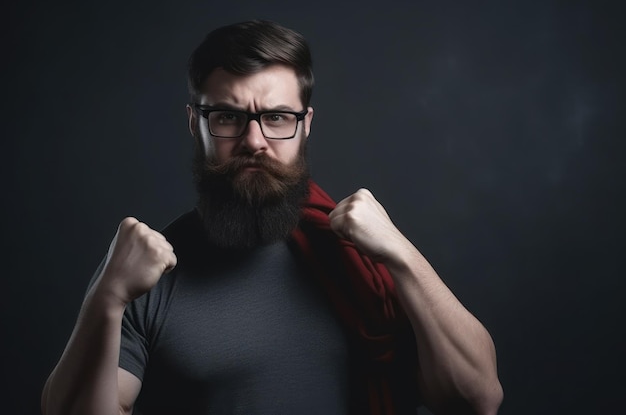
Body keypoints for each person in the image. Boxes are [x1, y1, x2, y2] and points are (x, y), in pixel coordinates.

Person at [41, 20, 503, 415]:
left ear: (305, 125)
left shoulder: (364, 257)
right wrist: (107, 297)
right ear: (194, 122)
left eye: (278, 118)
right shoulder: (144, 272)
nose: (254, 141)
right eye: (227, 116)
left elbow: (477, 398)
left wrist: (401, 253)